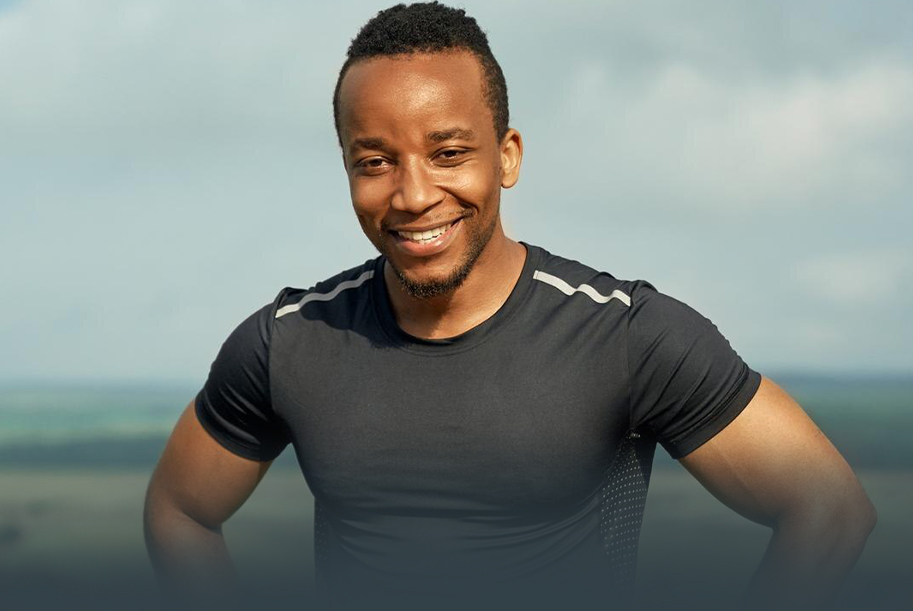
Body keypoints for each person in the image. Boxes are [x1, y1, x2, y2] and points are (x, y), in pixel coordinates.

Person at [143, 3, 876, 610]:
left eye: (448, 152)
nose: (413, 194)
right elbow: (178, 510)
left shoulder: (625, 334)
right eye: (375, 162)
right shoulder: (289, 341)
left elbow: (829, 508)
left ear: (508, 155)